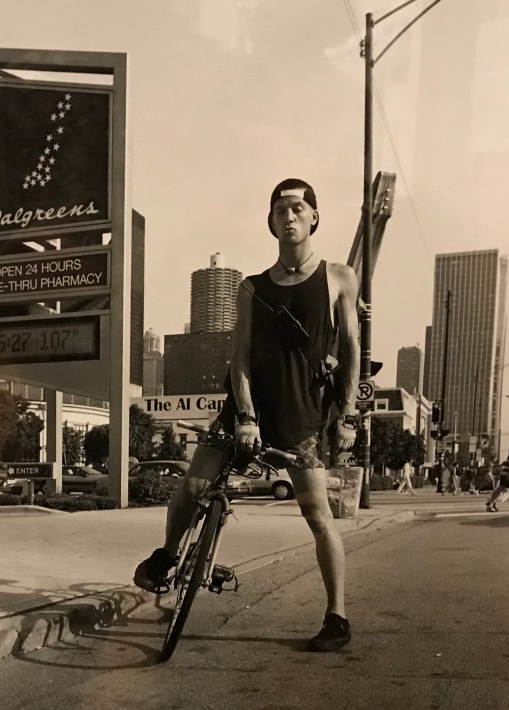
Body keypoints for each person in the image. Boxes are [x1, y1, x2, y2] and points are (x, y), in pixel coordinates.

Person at [133, 178, 360, 652]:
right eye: (280, 210)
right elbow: (238, 359)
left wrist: (348, 415)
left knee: (318, 515)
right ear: (271, 222)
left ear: (314, 216)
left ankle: (337, 615)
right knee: (192, 486)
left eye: (298, 208)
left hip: (301, 417)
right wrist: (246, 418)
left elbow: (353, 349)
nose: (289, 216)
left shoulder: (339, 276)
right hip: (246, 409)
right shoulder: (251, 288)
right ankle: (169, 555)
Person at [486, 442, 509, 512]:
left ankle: (490, 504)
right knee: (501, 489)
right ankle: (490, 504)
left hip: (508, 472)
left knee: (500, 488)